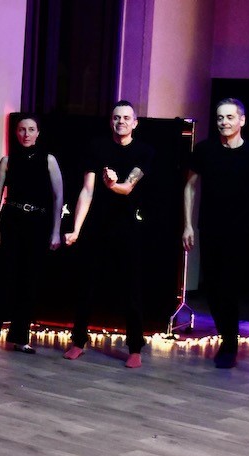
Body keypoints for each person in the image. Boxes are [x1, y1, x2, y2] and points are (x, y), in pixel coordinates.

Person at [182, 98, 249, 368]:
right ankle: (226, 336)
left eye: (229, 117)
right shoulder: (205, 150)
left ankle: (229, 345)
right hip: (211, 228)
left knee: (229, 288)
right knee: (213, 290)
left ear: (242, 120)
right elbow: (190, 186)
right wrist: (188, 224)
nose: (224, 122)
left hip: (242, 232)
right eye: (220, 117)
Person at [63, 101, 154, 368]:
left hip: (127, 227)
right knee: (86, 284)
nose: (120, 122)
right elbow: (87, 191)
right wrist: (76, 229)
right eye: (116, 117)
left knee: (131, 288)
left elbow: (127, 188)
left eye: (126, 118)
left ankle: (135, 348)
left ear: (135, 123)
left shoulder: (144, 151)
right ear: (110, 121)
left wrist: (112, 185)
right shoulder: (97, 147)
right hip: (97, 226)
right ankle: (78, 341)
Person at [0, 114, 64, 355]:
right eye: (22, 129)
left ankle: (20, 337)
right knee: (0, 278)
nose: (26, 134)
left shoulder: (48, 160)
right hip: (11, 221)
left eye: (31, 129)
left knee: (29, 280)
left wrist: (56, 231)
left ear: (38, 132)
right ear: (16, 132)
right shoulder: (7, 161)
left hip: (38, 223)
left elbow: (58, 197)